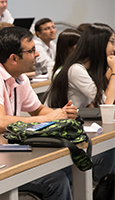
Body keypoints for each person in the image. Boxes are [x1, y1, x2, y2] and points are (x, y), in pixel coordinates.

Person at [0, 26, 78, 199]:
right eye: (31, 50)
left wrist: (62, 114)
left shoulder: (19, 77)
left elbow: (38, 110)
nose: (36, 55)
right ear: (13, 58)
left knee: (72, 167)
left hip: (6, 151)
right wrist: (50, 118)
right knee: (56, 181)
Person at [44, 22, 115, 185]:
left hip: (77, 132)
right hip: (62, 139)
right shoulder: (75, 69)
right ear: (99, 44)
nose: (114, 47)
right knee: (111, 152)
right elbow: (106, 104)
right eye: (111, 41)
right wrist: (114, 72)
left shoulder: (90, 69)